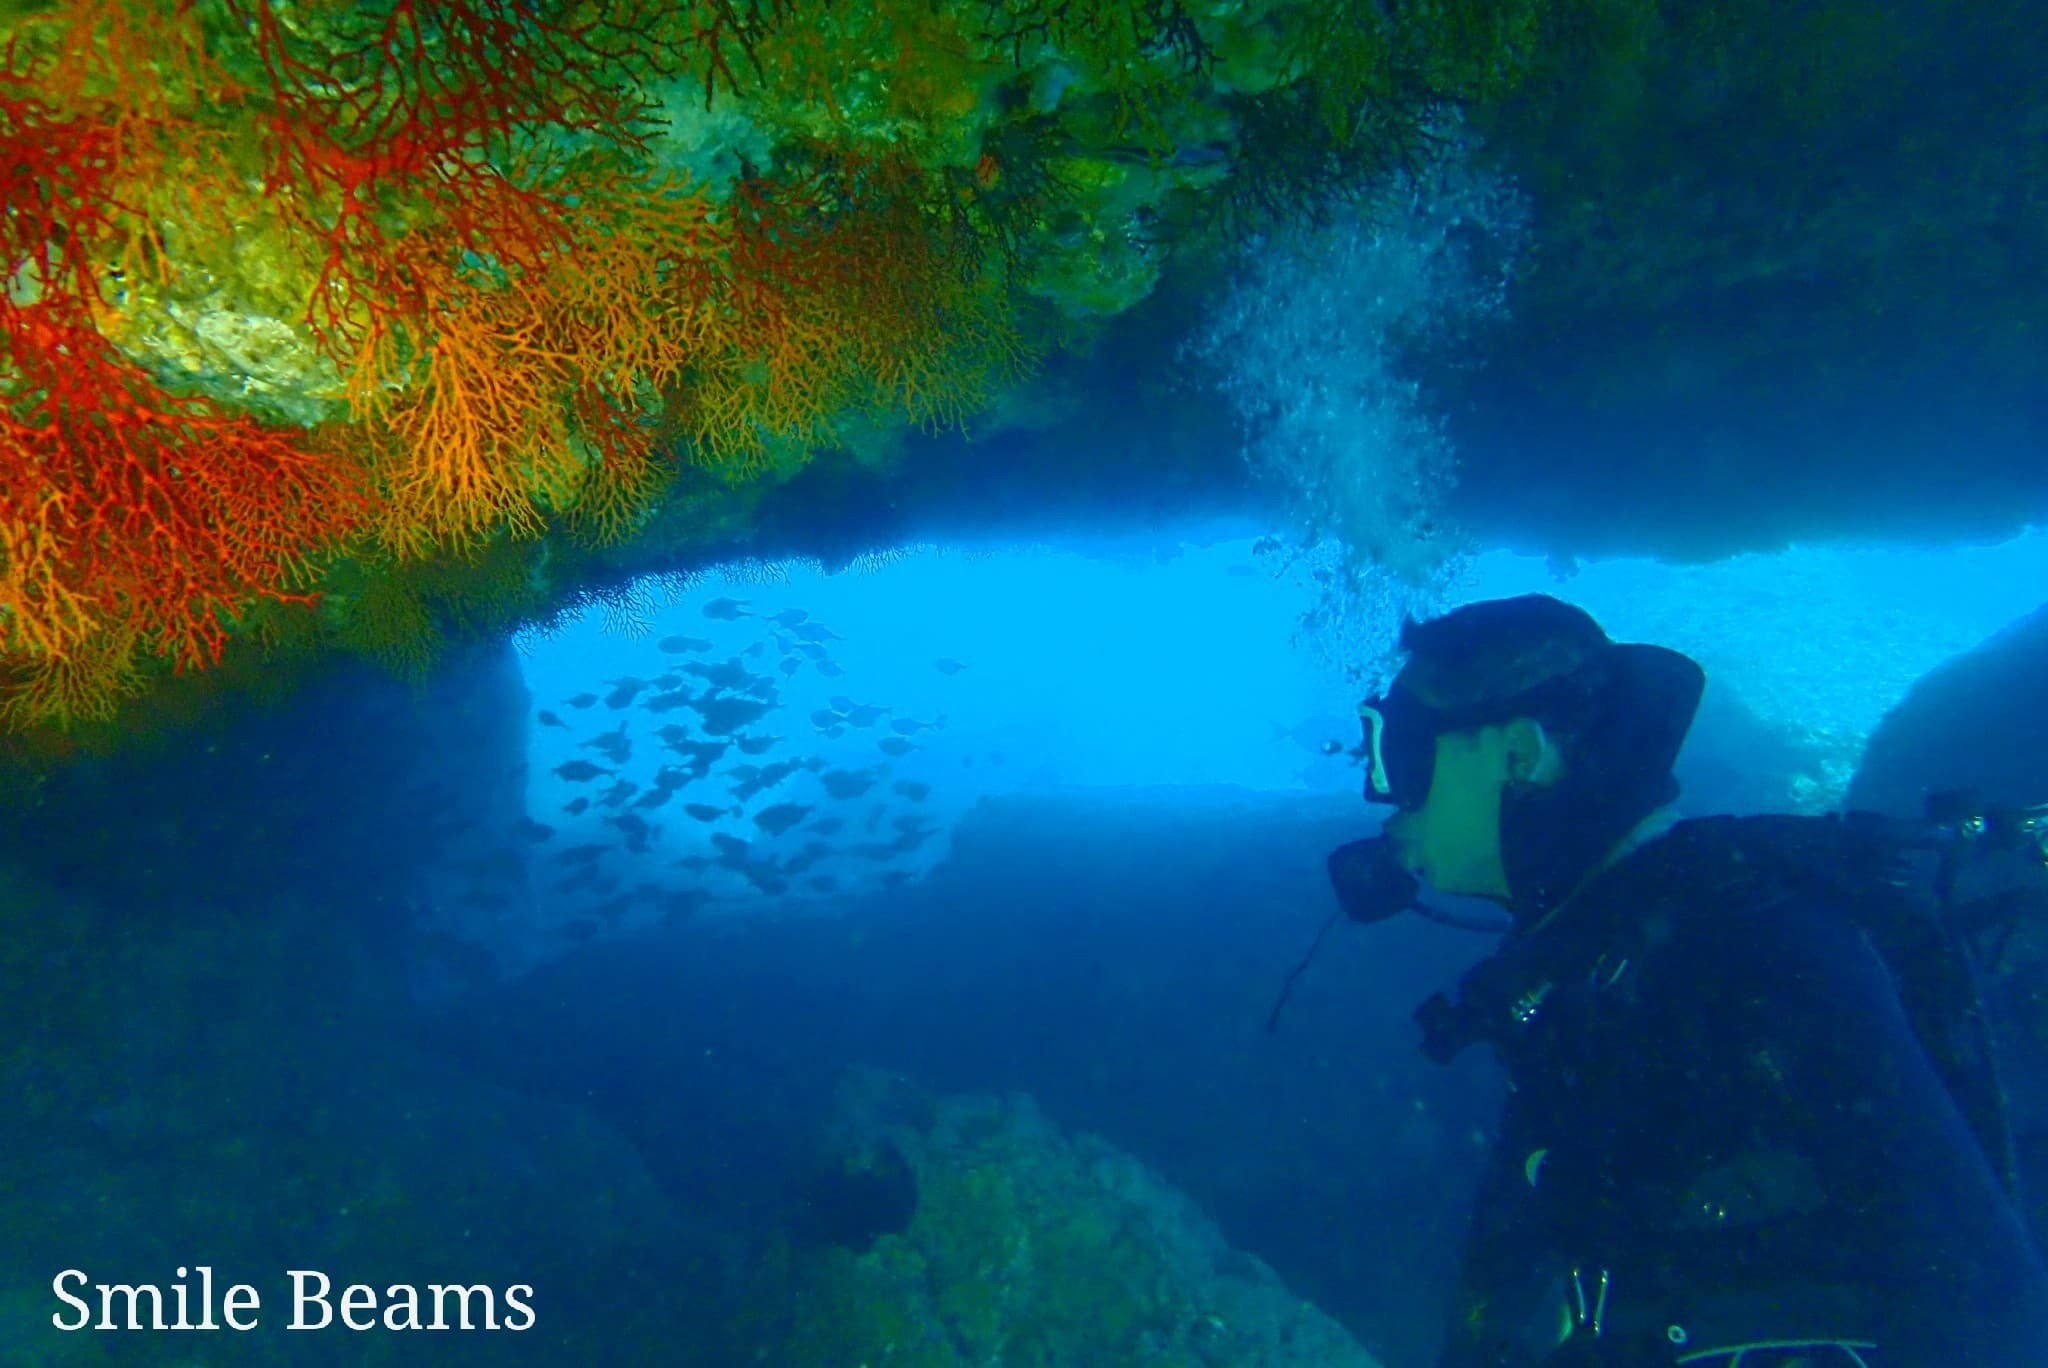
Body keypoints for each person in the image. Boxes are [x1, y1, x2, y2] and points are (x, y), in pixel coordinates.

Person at [1330, 594, 2048, 1367]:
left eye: (1401, 752)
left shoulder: (1748, 947)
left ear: (1517, 755)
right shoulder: (1597, 975)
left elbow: (1982, 1296)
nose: (1382, 794)